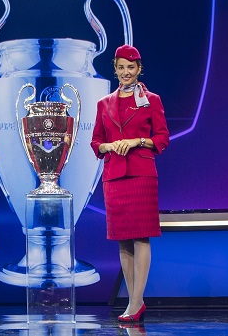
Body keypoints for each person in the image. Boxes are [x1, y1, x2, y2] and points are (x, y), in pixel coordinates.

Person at [90, 44, 169, 323]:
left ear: (139, 69)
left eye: (131, 67)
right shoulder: (104, 103)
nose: (126, 72)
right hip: (114, 176)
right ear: (115, 69)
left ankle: (136, 300)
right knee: (123, 239)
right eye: (121, 67)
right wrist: (110, 146)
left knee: (141, 236)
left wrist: (137, 141)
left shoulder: (151, 100)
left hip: (141, 174)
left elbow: (162, 138)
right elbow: (96, 142)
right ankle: (133, 301)